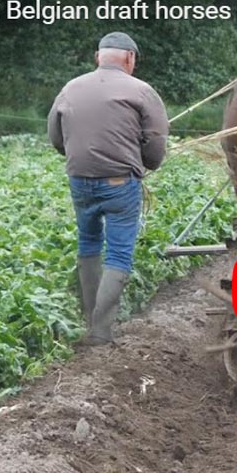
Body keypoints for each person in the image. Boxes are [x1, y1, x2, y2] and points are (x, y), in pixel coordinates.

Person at [48, 32, 169, 345]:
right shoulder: (142, 91)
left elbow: (56, 137)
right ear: (130, 59)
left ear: (97, 56)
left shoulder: (69, 88)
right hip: (119, 183)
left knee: (88, 242)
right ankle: (101, 331)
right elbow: (155, 142)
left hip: (79, 180)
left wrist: (79, 159)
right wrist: (146, 164)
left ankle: (91, 319)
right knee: (118, 252)